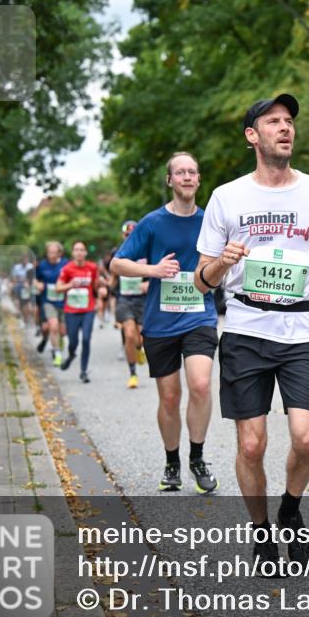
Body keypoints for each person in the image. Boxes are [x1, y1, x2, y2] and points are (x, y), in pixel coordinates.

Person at [195, 93, 309, 572]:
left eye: (289, 121)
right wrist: (222, 261)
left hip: (303, 328)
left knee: (307, 439)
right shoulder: (227, 196)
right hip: (245, 326)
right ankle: (261, 534)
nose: (285, 128)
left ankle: (289, 510)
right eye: (273, 122)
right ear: (252, 136)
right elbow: (203, 278)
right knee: (251, 445)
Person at [112, 152, 219, 495]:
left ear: (198, 180)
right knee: (170, 398)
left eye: (193, 171)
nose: (187, 177)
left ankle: (197, 458)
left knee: (201, 385)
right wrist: (153, 270)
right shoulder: (153, 222)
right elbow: (118, 264)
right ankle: (172, 462)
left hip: (199, 315)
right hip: (160, 322)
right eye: (180, 172)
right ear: (170, 181)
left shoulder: (212, 221)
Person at [56, 241, 101, 383]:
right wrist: (70, 285)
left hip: (88, 309)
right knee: (73, 342)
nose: (79, 252)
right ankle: (71, 355)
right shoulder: (67, 268)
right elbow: (58, 287)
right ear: (73, 253)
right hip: (71, 310)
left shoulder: (92, 267)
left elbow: (95, 286)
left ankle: (83, 371)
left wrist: (100, 294)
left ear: (86, 252)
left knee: (86, 339)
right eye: (76, 250)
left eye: (82, 250)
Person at [114, 220, 149, 389]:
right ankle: (133, 373)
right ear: (123, 235)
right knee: (129, 334)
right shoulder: (118, 252)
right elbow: (113, 278)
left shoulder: (147, 252)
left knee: (141, 338)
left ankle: (138, 348)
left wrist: (149, 283)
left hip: (143, 300)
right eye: (127, 235)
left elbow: (157, 271)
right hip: (124, 299)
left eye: (133, 235)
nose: (129, 238)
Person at [35, 241, 68, 366]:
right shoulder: (42, 266)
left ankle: (58, 341)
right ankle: (57, 354)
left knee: (63, 331)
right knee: (52, 326)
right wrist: (38, 284)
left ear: (60, 253)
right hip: (48, 300)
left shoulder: (65, 264)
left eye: (55, 252)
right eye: (50, 253)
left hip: (63, 301)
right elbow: (34, 279)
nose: (52, 255)